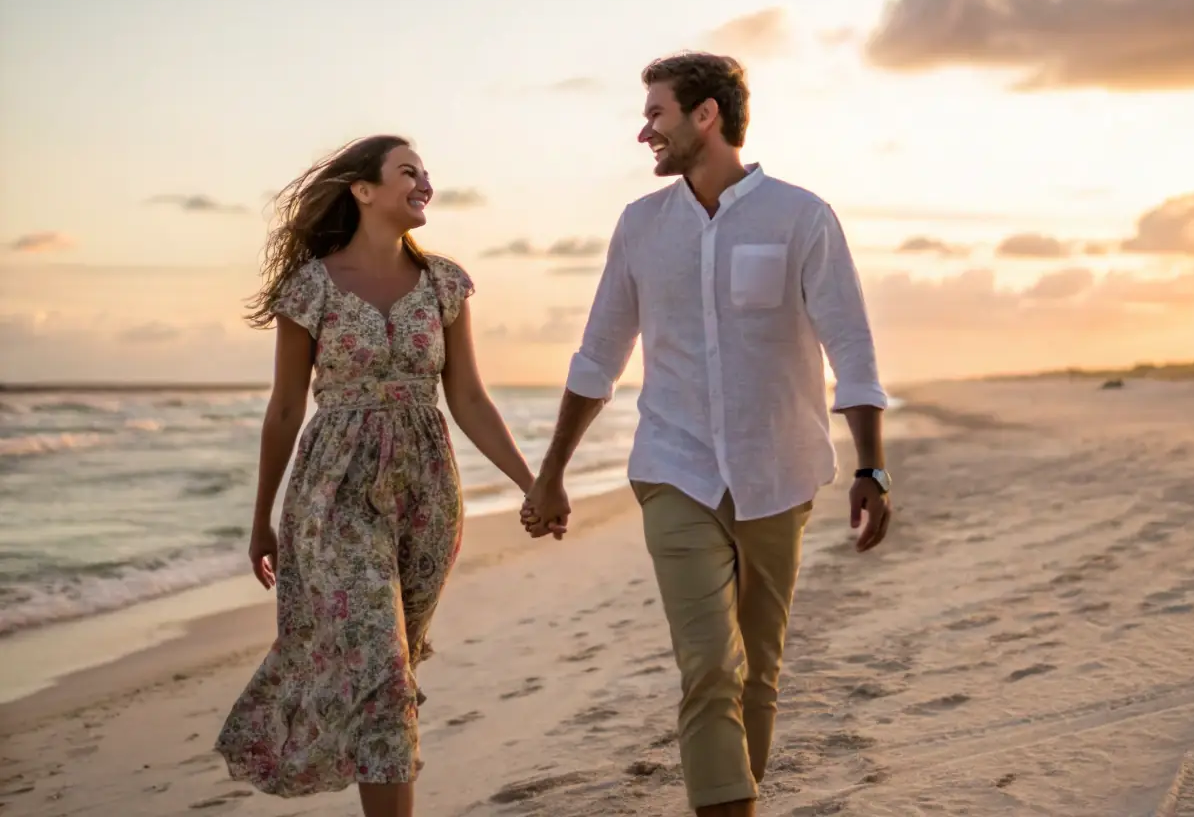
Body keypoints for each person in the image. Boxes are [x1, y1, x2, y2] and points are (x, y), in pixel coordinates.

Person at [523, 53, 893, 817]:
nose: (642, 132)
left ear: (705, 116)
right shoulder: (640, 226)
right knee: (707, 667)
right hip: (673, 466)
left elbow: (849, 345)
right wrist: (551, 471)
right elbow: (599, 354)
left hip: (779, 470)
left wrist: (872, 467)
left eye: (655, 114)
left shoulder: (800, 216)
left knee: (758, 668)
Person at [215, 135, 558, 817]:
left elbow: (467, 399)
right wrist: (262, 518)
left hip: (428, 492)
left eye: (427, 172)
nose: (425, 182)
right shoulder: (309, 286)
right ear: (363, 190)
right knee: (381, 668)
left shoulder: (444, 283)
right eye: (408, 172)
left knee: (393, 665)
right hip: (332, 491)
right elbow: (285, 408)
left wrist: (533, 482)